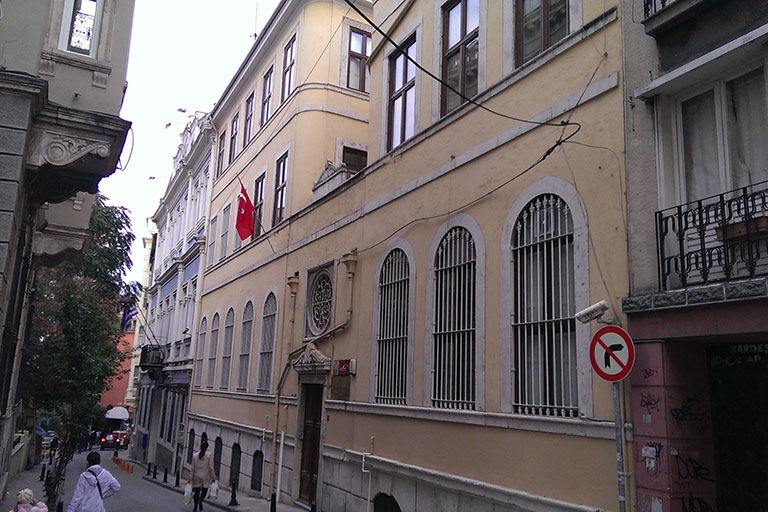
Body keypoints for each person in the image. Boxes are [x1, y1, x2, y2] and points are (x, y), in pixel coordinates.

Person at [189, 440, 217, 511]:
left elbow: (192, 467)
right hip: (205, 476)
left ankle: (195, 507)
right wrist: (213, 476)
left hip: (196, 476)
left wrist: (190, 477)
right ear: (207, 447)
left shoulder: (195, 455)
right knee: (205, 490)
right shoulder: (209, 455)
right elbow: (211, 467)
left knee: (196, 491)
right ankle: (200, 500)